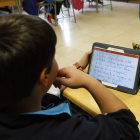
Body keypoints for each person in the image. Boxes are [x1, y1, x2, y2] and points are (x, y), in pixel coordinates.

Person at [0, 14, 139, 140]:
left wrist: (77, 66)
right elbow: (128, 127)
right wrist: (89, 80)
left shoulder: (16, 97)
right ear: (44, 78)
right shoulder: (70, 133)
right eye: (53, 58)